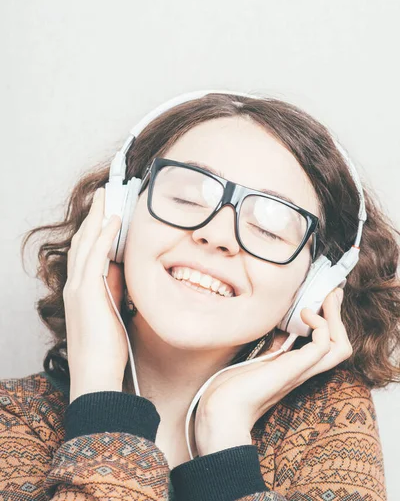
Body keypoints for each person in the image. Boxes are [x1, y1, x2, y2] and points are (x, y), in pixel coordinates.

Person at [0, 91, 399, 501]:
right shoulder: (13, 417)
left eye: (269, 228)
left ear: (314, 284)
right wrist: (99, 394)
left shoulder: (329, 418)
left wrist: (224, 437)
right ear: (119, 220)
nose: (217, 234)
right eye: (187, 197)